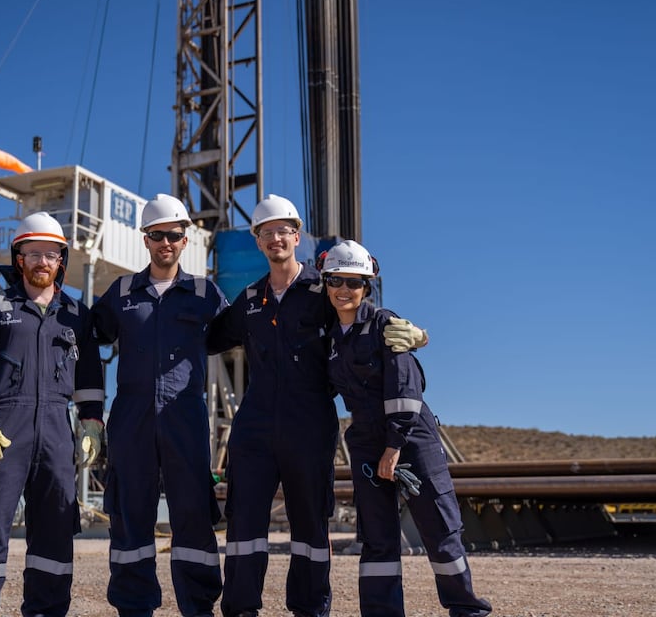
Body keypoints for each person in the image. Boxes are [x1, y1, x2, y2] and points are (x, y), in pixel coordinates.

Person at [207, 195, 428, 617]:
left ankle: (310, 609)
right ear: (257, 241)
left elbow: (361, 316)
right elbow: (209, 337)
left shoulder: (322, 290)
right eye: (266, 231)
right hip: (253, 426)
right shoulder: (250, 298)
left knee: (310, 524)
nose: (276, 238)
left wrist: (411, 332)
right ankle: (240, 609)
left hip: (308, 424)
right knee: (244, 523)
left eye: (283, 230)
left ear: (297, 235)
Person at [320, 240, 492, 617]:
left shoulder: (385, 325)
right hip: (366, 441)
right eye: (336, 280)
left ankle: (467, 610)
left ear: (368, 286)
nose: (344, 290)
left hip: (411, 439)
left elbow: (404, 388)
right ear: (326, 282)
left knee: (439, 531)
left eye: (354, 282)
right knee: (377, 539)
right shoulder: (331, 339)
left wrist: (394, 446)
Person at [0, 211, 105, 617]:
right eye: (33, 253)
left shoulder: (76, 315)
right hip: (2, 432)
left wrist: (91, 421)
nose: (42, 262)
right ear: (19, 258)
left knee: (55, 533)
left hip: (57, 431)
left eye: (50, 254)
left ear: (61, 260)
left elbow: (89, 374)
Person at [92, 194, 227, 617]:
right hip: (130, 419)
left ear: (185, 240)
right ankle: (134, 606)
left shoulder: (205, 293)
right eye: (157, 235)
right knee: (130, 513)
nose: (165, 242)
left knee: (192, 512)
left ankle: (198, 605)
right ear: (145, 240)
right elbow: (83, 333)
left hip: (184, 418)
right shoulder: (121, 293)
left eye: (173, 235)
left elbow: (251, 334)